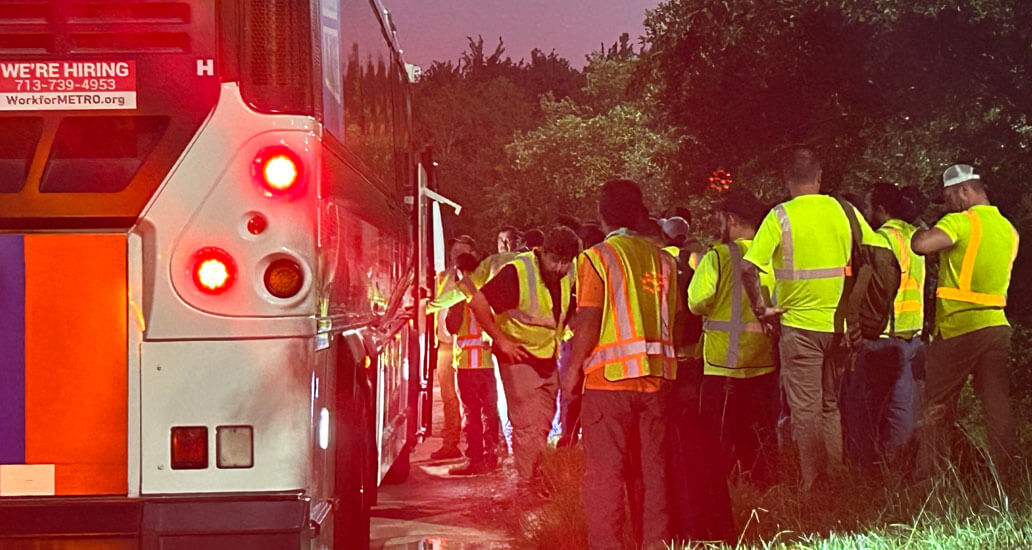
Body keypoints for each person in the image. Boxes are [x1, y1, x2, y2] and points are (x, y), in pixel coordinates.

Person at [741, 148, 888, 492]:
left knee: (805, 409)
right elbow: (876, 254)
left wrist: (761, 309)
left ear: (786, 179)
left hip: (799, 328)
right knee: (829, 406)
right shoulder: (843, 211)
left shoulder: (780, 216)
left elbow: (748, 268)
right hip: (839, 326)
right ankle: (835, 479)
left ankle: (815, 485)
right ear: (819, 177)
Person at [565, 179, 679, 550]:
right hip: (657, 380)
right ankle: (656, 544)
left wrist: (572, 371)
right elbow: (675, 318)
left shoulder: (596, 258)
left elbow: (588, 319)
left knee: (605, 474)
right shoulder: (665, 260)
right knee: (654, 471)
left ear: (602, 215)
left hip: (608, 382)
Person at [912, 164, 1019, 478]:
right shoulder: (1008, 230)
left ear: (965, 191)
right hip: (996, 326)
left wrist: (919, 229)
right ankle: (1006, 477)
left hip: (959, 328)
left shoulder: (961, 221)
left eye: (949, 197)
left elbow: (921, 245)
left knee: (938, 403)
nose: (947, 205)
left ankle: (930, 479)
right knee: (997, 405)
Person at [469, 226, 580, 496]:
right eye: (555, 260)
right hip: (517, 357)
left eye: (566, 262)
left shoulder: (569, 273)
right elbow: (478, 302)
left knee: (543, 424)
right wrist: (501, 341)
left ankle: (534, 478)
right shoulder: (518, 271)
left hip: (547, 356)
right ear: (544, 252)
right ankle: (528, 485)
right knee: (528, 425)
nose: (560, 268)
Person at [688, 189, 779, 488]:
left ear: (732, 219)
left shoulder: (718, 256)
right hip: (763, 360)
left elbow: (696, 302)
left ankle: (722, 492)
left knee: (720, 439)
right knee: (759, 438)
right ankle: (761, 490)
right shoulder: (771, 256)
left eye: (720, 219)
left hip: (722, 364)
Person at [842, 182, 926, 467]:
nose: (867, 212)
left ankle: (864, 468)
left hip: (884, 334)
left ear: (880, 209)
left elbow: (868, 285)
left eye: (869, 206)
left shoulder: (883, 239)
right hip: (913, 333)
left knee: (864, 408)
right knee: (903, 408)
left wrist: (857, 324)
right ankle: (897, 464)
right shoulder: (916, 235)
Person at [446, 251, 502, 475]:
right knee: (489, 411)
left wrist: (455, 302)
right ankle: (492, 455)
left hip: (467, 365)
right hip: (487, 363)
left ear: (459, 271)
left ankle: (475, 459)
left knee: (471, 413)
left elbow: (452, 326)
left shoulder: (460, 293)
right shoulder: (488, 290)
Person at [426, 236, 477, 460]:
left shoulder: (475, 277)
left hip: (468, 347)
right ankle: (450, 443)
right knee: (449, 398)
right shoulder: (443, 277)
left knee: (470, 400)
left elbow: (448, 300)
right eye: (454, 252)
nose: (457, 257)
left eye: (462, 253)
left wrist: (425, 307)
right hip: (446, 345)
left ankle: (477, 446)